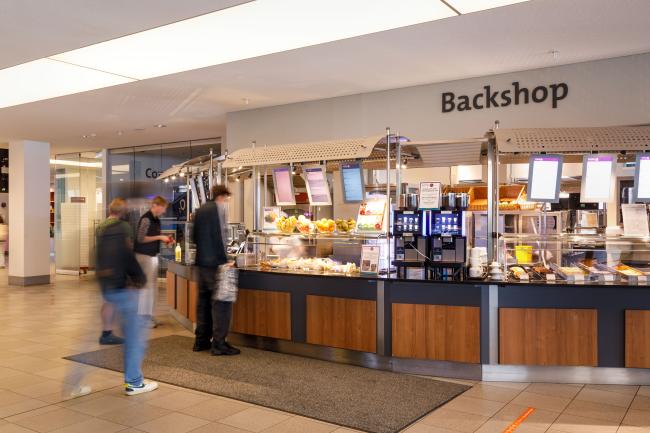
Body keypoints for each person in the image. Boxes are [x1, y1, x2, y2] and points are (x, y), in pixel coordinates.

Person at [96, 198, 159, 395]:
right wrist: (137, 277)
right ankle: (134, 382)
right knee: (135, 335)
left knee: (118, 317)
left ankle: (106, 332)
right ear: (123, 212)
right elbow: (127, 252)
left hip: (107, 284)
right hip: (122, 285)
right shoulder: (123, 227)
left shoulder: (102, 227)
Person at [192, 185, 240, 356]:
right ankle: (219, 344)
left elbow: (193, 237)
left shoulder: (200, 210)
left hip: (201, 263)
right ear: (222, 196)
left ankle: (201, 341)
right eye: (226, 198)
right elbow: (220, 236)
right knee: (222, 304)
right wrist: (225, 259)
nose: (226, 201)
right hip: (215, 265)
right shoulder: (218, 209)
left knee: (203, 303)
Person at [134, 196, 172, 328]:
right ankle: (143, 318)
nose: (164, 211)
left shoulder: (156, 220)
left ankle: (149, 315)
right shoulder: (146, 219)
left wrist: (165, 239)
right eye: (163, 208)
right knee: (147, 288)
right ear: (156, 205)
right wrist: (159, 237)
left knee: (152, 288)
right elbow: (140, 238)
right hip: (144, 256)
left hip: (152, 256)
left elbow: (155, 236)